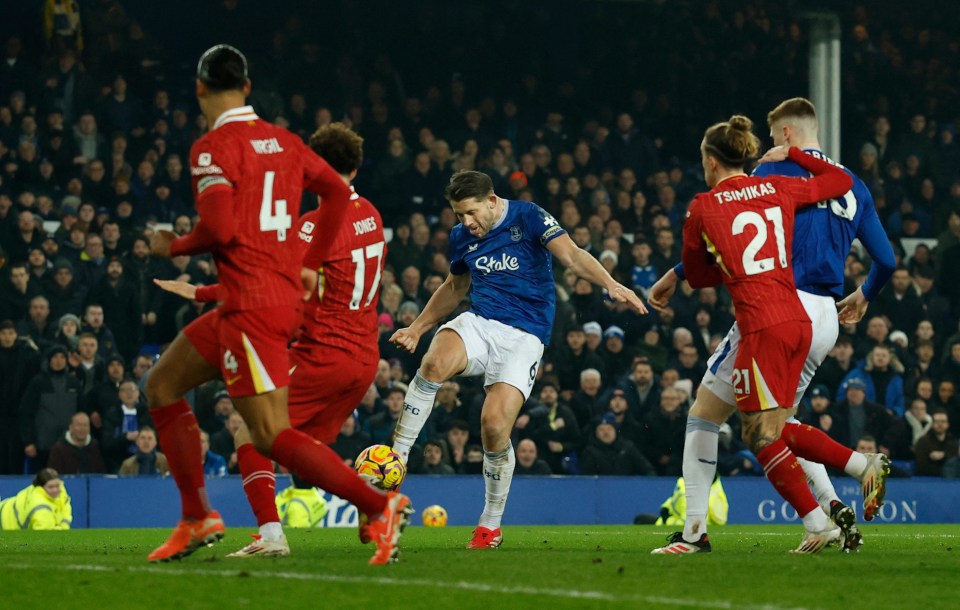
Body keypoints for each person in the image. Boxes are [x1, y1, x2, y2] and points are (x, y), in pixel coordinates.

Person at [153, 120, 408, 561]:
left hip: (325, 352)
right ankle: (370, 505)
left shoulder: (317, 224)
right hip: (364, 358)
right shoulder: (370, 212)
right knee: (296, 449)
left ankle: (275, 535)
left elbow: (276, 280)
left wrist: (201, 292)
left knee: (249, 434)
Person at [650, 100, 895, 554]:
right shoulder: (848, 185)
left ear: (782, 136)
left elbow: (716, 255)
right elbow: (888, 259)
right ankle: (833, 505)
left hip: (771, 309)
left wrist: (675, 275)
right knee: (778, 423)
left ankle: (697, 531)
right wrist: (864, 295)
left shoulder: (761, 180)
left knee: (714, 417)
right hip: (822, 317)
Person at [389, 169, 646, 549]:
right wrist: (417, 327)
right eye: (459, 215)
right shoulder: (462, 237)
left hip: (525, 336)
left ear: (492, 201)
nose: (466, 222)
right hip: (481, 321)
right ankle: (396, 458)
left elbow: (572, 256)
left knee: (493, 427)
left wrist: (610, 283)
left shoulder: (529, 217)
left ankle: (490, 525)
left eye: (472, 212)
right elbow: (455, 286)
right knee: (433, 363)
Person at [0, 468, 71, 530]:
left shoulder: (60, 490)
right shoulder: (40, 508)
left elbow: (65, 504)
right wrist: (64, 527)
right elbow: (47, 537)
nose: (55, 490)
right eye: (50, 487)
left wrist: (63, 526)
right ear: (41, 487)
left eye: (57, 485)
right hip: (5, 524)